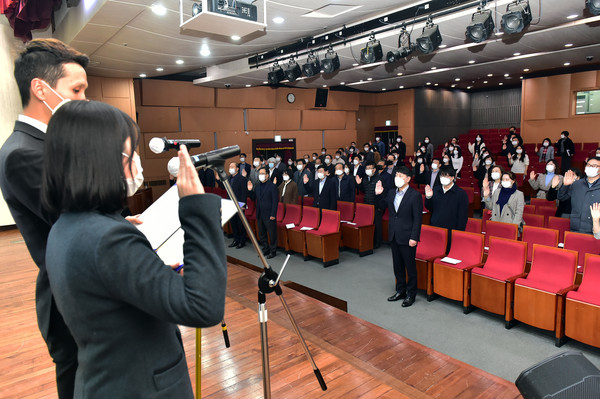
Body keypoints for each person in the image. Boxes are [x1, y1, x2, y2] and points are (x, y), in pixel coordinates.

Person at [41, 100, 227, 398]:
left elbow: (107, 289)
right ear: (102, 159)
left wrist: (144, 267)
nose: (137, 161)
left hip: (104, 378)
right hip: (139, 386)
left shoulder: (66, 227)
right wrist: (195, 207)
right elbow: (203, 306)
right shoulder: (108, 239)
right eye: (131, 152)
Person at [0, 38, 88, 398]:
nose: (82, 100)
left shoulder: (46, 144)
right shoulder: (24, 153)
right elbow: (77, 220)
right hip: (69, 293)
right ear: (41, 88)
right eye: (77, 89)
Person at [375, 166, 422, 307]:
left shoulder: (415, 196)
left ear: (408, 179)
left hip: (408, 237)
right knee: (397, 266)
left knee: (410, 267)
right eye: (397, 175)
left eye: (401, 176)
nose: (398, 178)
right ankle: (400, 291)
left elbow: (417, 219)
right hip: (394, 235)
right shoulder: (391, 192)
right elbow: (382, 206)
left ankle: (411, 294)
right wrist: (379, 195)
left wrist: (414, 237)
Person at [424, 166, 469, 251]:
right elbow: (430, 208)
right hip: (435, 227)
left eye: (446, 176)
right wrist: (428, 197)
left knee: (447, 253)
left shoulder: (460, 194)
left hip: (451, 230)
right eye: (442, 176)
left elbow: (462, 216)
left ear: (452, 178)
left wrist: (458, 233)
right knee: (434, 251)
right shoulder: (436, 189)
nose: (443, 178)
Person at [558, 158, 600, 235]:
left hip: (595, 231)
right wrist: (565, 185)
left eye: (594, 166)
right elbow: (561, 197)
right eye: (588, 165)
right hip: (575, 228)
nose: (590, 167)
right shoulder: (577, 184)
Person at [248, 167, 279, 259]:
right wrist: (250, 190)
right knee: (261, 233)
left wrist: (273, 214)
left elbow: (275, 202)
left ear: (267, 175)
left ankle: (273, 251)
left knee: (272, 233)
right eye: (259, 174)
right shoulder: (257, 186)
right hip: (260, 213)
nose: (260, 175)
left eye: (262, 173)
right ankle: (266, 249)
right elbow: (253, 198)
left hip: (269, 214)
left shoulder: (272, 186)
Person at [224, 162, 247, 248]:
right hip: (230, 204)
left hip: (239, 204)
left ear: (237, 169)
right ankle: (236, 239)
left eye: (232, 167)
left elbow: (244, 193)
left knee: (240, 223)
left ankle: (242, 241)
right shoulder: (229, 178)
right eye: (230, 167)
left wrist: (243, 205)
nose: (231, 169)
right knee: (233, 223)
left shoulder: (242, 179)